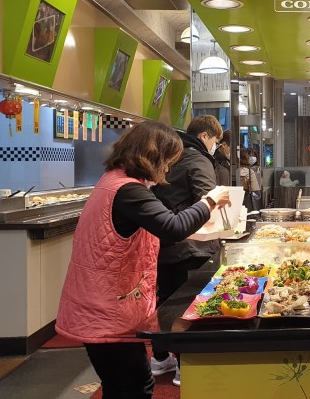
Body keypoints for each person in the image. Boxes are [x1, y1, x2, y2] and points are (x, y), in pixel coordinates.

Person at [55, 121, 231, 399]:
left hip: (105, 304)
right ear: (154, 156)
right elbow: (171, 226)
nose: (168, 169)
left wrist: (194, 234)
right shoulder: (127, 190)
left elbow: (140, 234)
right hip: (107, 308)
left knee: (122, 386)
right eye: (169, 161)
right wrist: (209, 201)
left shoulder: (114, 182)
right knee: (134, 387)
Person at [148, 115, 223, 385]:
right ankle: (184, 364)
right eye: (216, 141)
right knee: (188, 306)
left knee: (164, 301)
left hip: (162, 242)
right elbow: (208, 197)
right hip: (193, 246)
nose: (216, 146)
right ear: (205, 137)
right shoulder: (198, 158)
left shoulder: (167, 157)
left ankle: (160, 358)